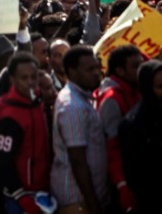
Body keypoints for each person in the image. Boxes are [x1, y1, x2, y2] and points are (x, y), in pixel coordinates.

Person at [51, 45, 107, 214]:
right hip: (79, 202)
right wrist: (93, 206)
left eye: (96, 67)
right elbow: (78, 161)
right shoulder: (72, 107)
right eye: (89, 69)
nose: (96, 73)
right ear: (72, 72)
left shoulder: (83, 98)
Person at [0, 52, 52, 214]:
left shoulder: (37, 100)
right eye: (24, 78)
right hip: (21, 198)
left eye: (34, 77)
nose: (30, 82)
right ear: (13, 79)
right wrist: (21, 198)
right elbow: (2, 162)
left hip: (42, 191)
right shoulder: (10, 116)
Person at [119, 60, 162, 213]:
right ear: (147, 87)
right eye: (161, 87)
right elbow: (136, 174)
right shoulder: (133, 124)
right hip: (155, 201)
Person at [94, 45, 142, 213]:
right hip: (123, 181)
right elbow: (112, 147)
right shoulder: (111, 99)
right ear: (120, 71)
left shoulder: (134, 89)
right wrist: (122, 186)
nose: (141, 70)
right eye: (135, 66)